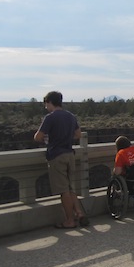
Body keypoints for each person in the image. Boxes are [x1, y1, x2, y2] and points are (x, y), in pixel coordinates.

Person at [34, 91, 89, 229]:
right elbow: (78, 135)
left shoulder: (50, 117)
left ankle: (69, 221)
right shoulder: (70, 116)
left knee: (64, 190)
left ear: (49, 102)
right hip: (70, 154)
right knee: (70, 187)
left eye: (46, 104)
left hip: (56, 155)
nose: (46, 107)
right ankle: (80, 213)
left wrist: (49, 137)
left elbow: (38, 137)